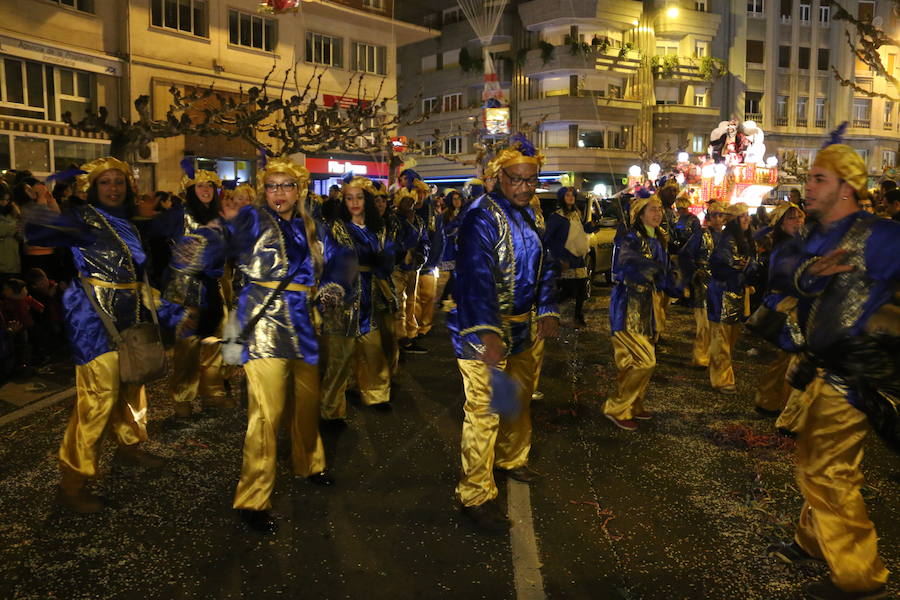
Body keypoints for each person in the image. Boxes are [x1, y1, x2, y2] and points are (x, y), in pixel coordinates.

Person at [765, 141, 897, 600]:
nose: (809, 187)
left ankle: (861, 577)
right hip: (821, 369)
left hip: (855, 373)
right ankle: (815, 540)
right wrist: (810, 272)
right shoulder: (817, 234)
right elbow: (780, 265)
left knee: (826, 471)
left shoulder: (881, 236)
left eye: (819, 179)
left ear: (847, 187)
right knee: (819, 461)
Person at [24, 157, 168, 513]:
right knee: (99, 397)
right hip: (92, 317)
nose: (113, 188)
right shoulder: (81, 217)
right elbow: (38, 239)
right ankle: (72, 482)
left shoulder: (128, 224)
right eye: (105, 183)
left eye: (119, 182)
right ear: (93, 187)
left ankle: (130, 446)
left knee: (132, 384)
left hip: (129, 313)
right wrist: (41, 209)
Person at [223, 156, 347, 534]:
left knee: (307, 404)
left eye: (287, 185)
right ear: (264, 190)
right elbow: (221, 248)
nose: (280, 193)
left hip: (305, 324)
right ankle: (253, 498)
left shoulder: (313, 225)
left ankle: (309, 462)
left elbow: (340, 261)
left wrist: (332, 285)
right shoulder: (252, 219)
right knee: (266, 415)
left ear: (299, 190)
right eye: (273, 186)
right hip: (264, 327)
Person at [450, 135, 559, 531]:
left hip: (523, 327)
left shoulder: (533, 214)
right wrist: (488, 333)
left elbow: (547, 265)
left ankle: (512, 460)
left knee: (518, 401)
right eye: (517, 179)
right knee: (483, 412)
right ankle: (475, 494)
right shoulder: (481, 215)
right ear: (497, 177)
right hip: (482, 334)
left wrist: (547, 308)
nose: (526, 188)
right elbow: (473, 277)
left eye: (533, 180)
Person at [319, 175, 393, 422]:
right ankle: (331, 409)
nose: (354, 202)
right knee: (339, 357)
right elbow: (331, 261)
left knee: (373, 349)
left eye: (359, 197)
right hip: (344, 297)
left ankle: (377, 394)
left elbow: (386, 258)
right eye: (349, 198)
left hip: (369, 294)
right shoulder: (335, 227)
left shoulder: (377, 228)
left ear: (367, 200)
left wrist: (384, 260)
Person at [604, 194, 679, 431]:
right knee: (645, 361)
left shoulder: (658, 238)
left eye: (659, 209)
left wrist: (677, 281)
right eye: (653, 209)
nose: (658, 213)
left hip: (648, 306)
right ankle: (617, 407)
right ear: (640, 214)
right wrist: (652, 269)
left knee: (633, 361)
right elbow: (624, 264)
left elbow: (665, 275)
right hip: (628, 306)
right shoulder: (629, 237)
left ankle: (633, 404)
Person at [166, 164, 229, 421]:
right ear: (191, 190)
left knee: (215, 343)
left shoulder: (218, 218)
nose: (206, 190)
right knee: (188, 350)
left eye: (210, 186)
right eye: (200, 186)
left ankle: (213, 392)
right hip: (187, 291)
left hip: (214, 287)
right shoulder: (180, 215)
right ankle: (183, 399)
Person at [752, 201, 805, 416]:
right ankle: (788, 412)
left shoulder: (797, 243)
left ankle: (768, 401)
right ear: (781, 224)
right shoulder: (786, 247)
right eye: (791, 218)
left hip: (789, 304)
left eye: (800, 216)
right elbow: (788, 279)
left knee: (782, 359)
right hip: (786, 306)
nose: (798, 221)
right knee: (792, 359)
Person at [707, 202, 758, 394]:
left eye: (748, 215)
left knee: (731, 338)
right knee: (721, 337)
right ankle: (721, 379)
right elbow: (728, 265)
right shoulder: (726, 241)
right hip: (722, 293)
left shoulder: (743, 239)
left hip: (736, 292)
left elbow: (749, 265)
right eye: (743, 216)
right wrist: (745, 266)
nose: (747, 219)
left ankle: (721, 372)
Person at [678, 201, 725, 368]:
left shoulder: (729, 238)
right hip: (703, 284)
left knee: (719, 324)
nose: (718, 219)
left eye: (721, 215)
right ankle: (700, 356)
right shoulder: (701, 235)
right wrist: (694, 272)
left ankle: (714, 356)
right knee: (704, 323)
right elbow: (685, 254)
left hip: (721, 285)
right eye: (715, 215)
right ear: (709, 218)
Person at [545, 186, 599, 326]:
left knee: (581, 289)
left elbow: (579, 232)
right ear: (562, 198)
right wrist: (558, 258)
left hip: (577, 258)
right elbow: (549, 239)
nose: (570, 198)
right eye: (567, 195)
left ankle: (577, 317)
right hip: (564, 259)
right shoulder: (556, 217)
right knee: (565, 291)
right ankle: (549, 314)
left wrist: (590, 227)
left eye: (572, 195)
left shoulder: (576, 214)